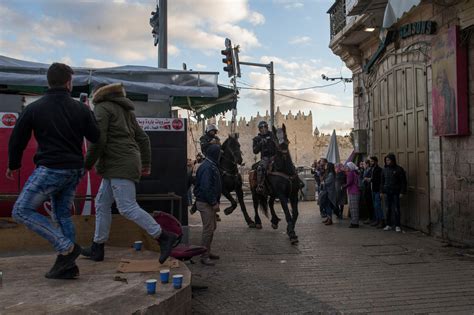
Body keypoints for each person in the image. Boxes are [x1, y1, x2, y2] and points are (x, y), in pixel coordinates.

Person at [7, 62, 100, 279]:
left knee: (20, 210)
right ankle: (67, 266)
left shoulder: (34, 108)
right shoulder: (80, 108)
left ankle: (66, 247)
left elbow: (17, 139)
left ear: (49, 81)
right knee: (61, 214)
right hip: (74, 169)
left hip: (51, 168)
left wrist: (13, 164)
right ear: (69, 83)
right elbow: (95, 137)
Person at [82, 83, 177, 264]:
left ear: (97, 94)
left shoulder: (103, 107)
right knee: (102, 203)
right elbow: (143, 138)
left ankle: (163, 236)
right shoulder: (126, 111)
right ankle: (97, 247)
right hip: (119, 163)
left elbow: (98, 139)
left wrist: (86, 164)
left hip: (119, 162)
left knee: (127, 207)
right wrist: (146, 163)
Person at [194, 144, 222, 266]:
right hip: (206, 203)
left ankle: (207, 251)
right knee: (208, 230)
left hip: (207, 202)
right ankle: (204, 256)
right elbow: (206, 187)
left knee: (211, 228)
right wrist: (213, 202)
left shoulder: (210, 165)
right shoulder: (207, 167)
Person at [381, 153, 407, 232]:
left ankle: (397, 225)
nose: (387, 162)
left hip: (396, 192)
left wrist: (402, 192)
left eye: (388, 160)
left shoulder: (399, 169)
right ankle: (388, 224)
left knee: (396, 209)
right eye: (386, 160)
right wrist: (381, 191)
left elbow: (403, 182)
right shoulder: (384, 170)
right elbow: (382, 181)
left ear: (392, 160)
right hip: (387, 191)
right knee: (387, 208)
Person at [252, 121, 277, 194]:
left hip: (275, 156)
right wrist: (260, 143)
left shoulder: (273, 135)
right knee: (260, 168)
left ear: (267, 127)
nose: (263, 129)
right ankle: (260, 185)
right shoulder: (257, 139)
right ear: (259, 129)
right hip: (265, 158)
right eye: (261, 128)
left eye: (264, 127)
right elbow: (255, 151)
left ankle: (294, 181)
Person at [343, 162, 361, 228]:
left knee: (353, 208)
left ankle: (355, 223)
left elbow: (349, 182)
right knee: (355, 208)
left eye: (347, 167)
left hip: (353, 191)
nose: (346, 168)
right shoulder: (355, 172)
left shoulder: (350, 173)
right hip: (356, 191)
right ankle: (355, 222)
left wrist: (343, 186)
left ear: (350, 167)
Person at [368, 156, 384, 228]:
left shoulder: (379, 170)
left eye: (372, 161)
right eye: (370, 161)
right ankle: (377, 220)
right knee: (375, 206)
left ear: (376, 161)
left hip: (377, 190)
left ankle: (381, 221)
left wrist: (370, 179)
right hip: (373, 189)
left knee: (378, 206)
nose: (371, 163)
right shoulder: (372, 169)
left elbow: (378, 180)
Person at [361, 160, 374, 224]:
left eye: (364, 164)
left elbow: (370, 178)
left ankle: (371, 218)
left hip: (369, 189)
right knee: (367, 203)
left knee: (370, 204)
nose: (363, 165)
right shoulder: (365, 170)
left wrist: (366, 179)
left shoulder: (370, 170)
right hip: (365, 188)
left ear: (367, 164)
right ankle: (369, 217)